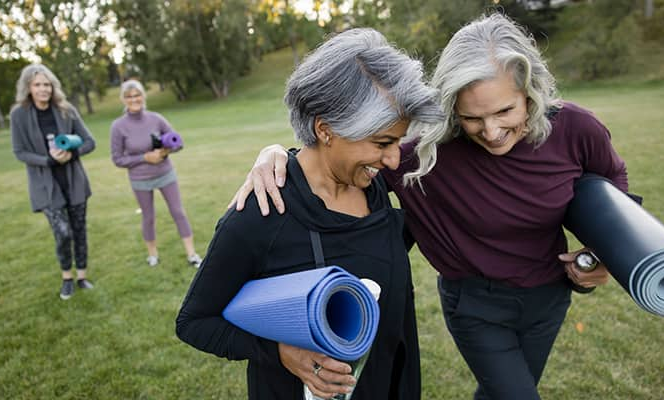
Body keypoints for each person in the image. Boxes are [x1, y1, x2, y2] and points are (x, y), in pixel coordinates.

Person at [230, 13, 628, 400]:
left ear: (530, 92)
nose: (491, 132)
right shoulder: (421, 157)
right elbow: (339, 160)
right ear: (452, 107)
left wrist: (603, 254)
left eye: (505, 111)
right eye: (472, 118)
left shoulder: (576, 129)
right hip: (476, 306)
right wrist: (277, 153)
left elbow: (612, 185)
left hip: (550, 297)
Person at [176, 28, 442, 400]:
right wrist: (280, 352)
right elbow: (194, 323)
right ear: (325, 129)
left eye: (398, 141)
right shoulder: (262, 214)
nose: (395, 159)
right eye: (382, 143)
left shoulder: (379, 189)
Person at [10, 64, 97, 300]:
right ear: (28, 87)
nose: (43, 89)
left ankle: (82, 276)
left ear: (53, 87)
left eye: (47, 84)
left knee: (79, 231)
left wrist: (72, 154)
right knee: (62, 232)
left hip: (74, 182)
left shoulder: (66, 110)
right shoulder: (19, 115)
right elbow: (19, 151)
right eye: (37, 84)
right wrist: (48, 161)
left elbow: (90, 141)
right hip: (45, 186)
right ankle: (66, 277)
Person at [110, 79, 202, 268]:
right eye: (129, 96)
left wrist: (166, 151)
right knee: (148, 216)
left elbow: (179, 142)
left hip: (165, 174)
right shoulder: (118, 126)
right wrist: (145, 157)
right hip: (140, 180)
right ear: (123, 100)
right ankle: (153, 255)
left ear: (143, 96)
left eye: (137, 95)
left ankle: (192, 254)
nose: (134, 99)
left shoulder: (156, 119)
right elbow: (118, 159)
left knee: (178, 212)